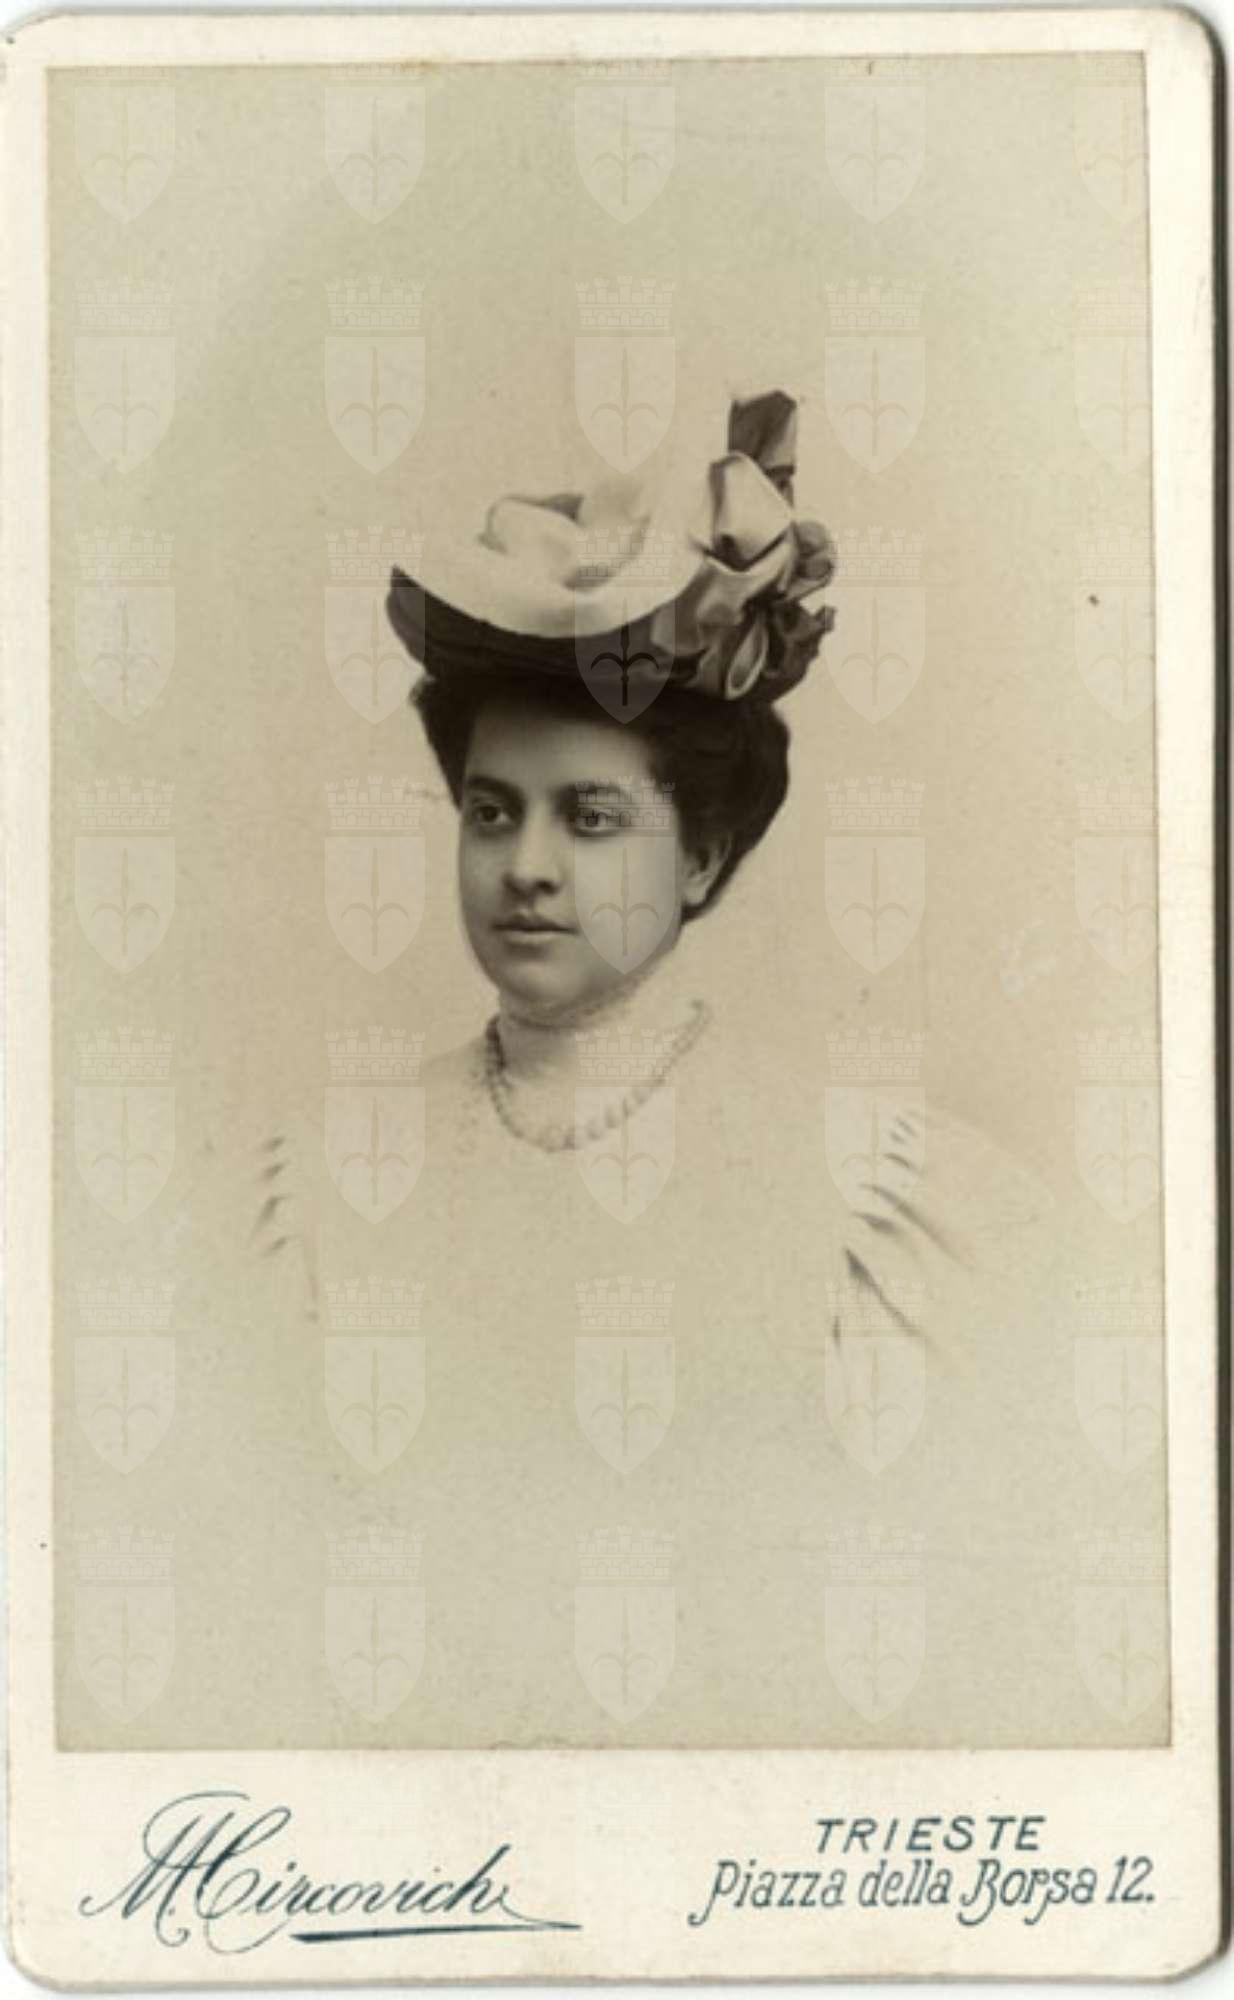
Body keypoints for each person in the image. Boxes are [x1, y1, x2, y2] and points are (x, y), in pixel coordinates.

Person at [249, 391, 1090, 1747]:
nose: (525, 867)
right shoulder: (324, 1177)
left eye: (590, 819)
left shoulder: (865, 1193)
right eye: (490, 812)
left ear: (698, 856)